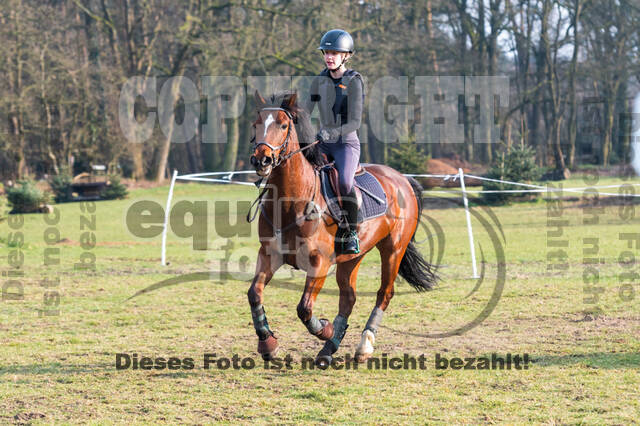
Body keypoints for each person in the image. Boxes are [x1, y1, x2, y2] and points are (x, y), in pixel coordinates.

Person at [305, 29, 365, 255]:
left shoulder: (354, 81)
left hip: (345, 144)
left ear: (346, 55)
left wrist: (331, 133)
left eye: (335, 53)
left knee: (345, 184)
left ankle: (350, 233)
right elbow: (305, 112)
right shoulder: (319, 80)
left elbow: (355, 122)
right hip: (322, 142)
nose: (329, 57)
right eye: (326, 52)